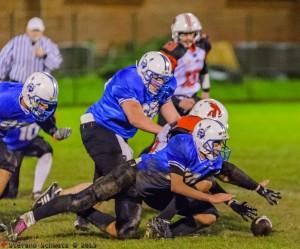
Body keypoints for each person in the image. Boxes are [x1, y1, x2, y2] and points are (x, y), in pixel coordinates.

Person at [6, 119, 281, 241]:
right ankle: (26, 220)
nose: (220, 148)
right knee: (82, 196)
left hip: (143, 191)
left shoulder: (209, 156)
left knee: (125, 232)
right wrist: (211, 198)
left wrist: (256, 188)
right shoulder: (184, 146)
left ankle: (84, 213)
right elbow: (177, 186)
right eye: (218, 143)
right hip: (131, 175)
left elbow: (229, 172)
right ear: (204, 140)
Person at [76, 51, 180, 237]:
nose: (160, 82)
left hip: (116, 134)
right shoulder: (128, 79)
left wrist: (184, 132)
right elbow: (136, 118)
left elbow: (170, 113)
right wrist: (164, 131)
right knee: (124, 176)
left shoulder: (165, 85)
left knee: (102, 183)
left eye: (163, 78)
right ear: (144, 72)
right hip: (99, 126)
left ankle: (67, 203)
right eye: (155, 78)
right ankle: (123, 223)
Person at [0, 72, 71, 199]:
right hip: (7, 139)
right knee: (7, 162)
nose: (45, 108)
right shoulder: (5, 101)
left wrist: (54, 132)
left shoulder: (33, 107)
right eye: (42, 104)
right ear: (30, 96)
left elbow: (43, 120)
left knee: (6, 182)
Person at [158, 12, 212, 125]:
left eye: (191, 34)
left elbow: (203, 68)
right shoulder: (172, 51)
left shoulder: (202, 46)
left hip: (193, 99)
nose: (188, 38)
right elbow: (161, 82)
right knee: (164, 137)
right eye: (183, 34)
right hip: (171, 101)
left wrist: (206, 90)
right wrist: (177, 102)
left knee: (198, 136)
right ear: (176, 34)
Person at [0, 17, 62, 83]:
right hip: (17, 83)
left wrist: (45, 55)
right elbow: (3, 59)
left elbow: (56, 64)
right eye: (33, 30)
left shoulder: (47, 44)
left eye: (37, 30)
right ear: (27, 30)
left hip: (38, 85)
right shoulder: (16, 42)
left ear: (42, 31)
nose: (35, 33)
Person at [1, 123, 54, 200]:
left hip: (30, 141)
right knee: (9, 193)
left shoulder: (40, 112)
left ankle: (37, 191)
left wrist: (55, 132)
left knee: (46, 151)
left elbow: (48, 123)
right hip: (11, 145)